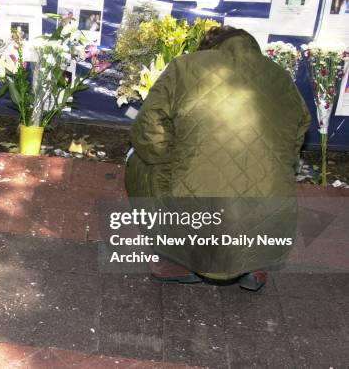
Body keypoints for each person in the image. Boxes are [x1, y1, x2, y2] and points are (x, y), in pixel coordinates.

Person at [125, 26, 311, 291]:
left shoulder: (184, 66)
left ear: (209, 48)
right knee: (268, 174)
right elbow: (294, 143)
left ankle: (176, 260)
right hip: (265, 205)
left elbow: (146, 130)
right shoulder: (281, 77)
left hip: (196, 203)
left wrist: (174, 160)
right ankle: (254, 263)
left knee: (140, 161)